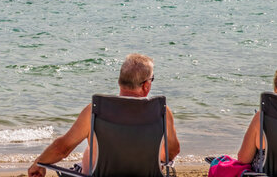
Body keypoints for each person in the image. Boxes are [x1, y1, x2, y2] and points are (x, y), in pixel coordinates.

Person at [28, 53, 180, 177]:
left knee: (90, 150)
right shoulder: (162, 112)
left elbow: (62, 149)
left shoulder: (95, 110)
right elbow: (171, 152)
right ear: (146, 85)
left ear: (120, 81)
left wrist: (38, 163)